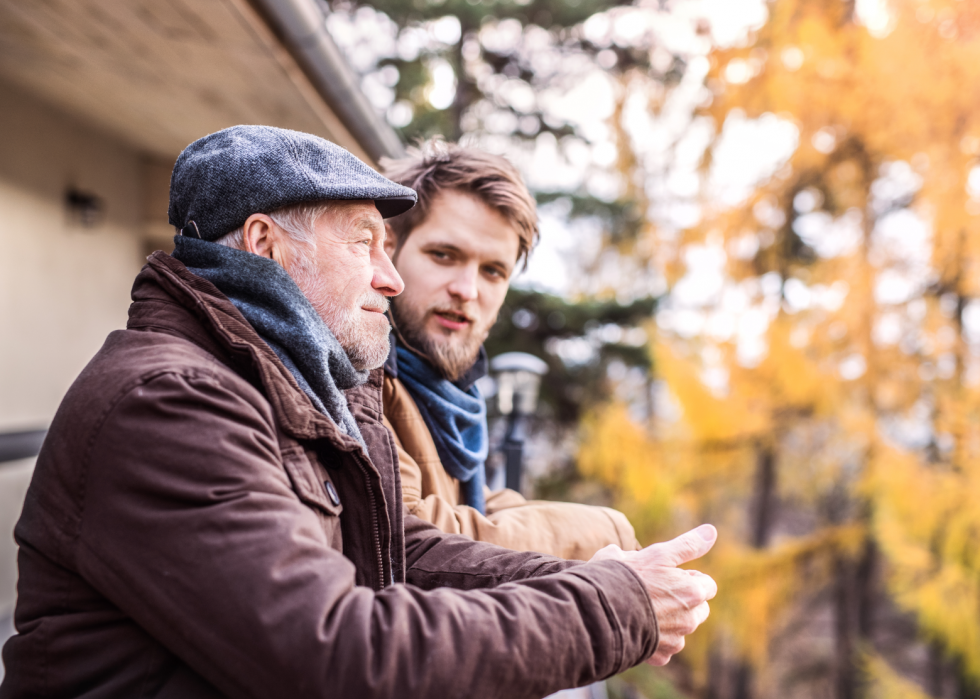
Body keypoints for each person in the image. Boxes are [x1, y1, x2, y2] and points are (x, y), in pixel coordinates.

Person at [0, 125, 717, 699]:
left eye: (493, 269)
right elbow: (336, 654)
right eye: (365, 242)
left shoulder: (309, 389)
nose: (392, 274)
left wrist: (600, 581)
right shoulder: (167, 403)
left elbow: (400, 552)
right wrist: (609, 607)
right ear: (263, 246)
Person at [380, 141, 637, 560]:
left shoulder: (450, 395)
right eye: (444, 255)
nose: (467, 290)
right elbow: (408, 531)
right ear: (388, 245)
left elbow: (474, 506)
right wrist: (611, 533)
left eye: (493, 271)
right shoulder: (360, 369)